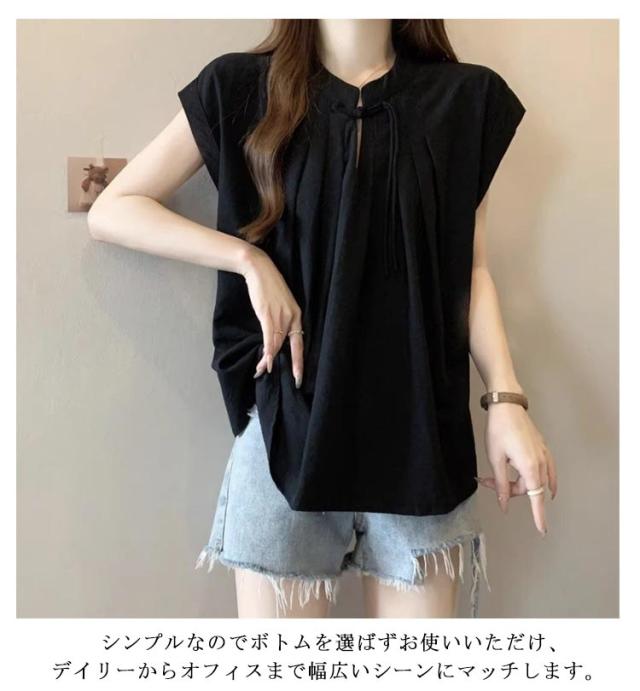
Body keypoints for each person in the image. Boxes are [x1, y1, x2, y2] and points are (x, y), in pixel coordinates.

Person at [87, 19, 558, 618]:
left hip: (422, 442)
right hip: (285, 439)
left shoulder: (463, 99)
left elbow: (471, 270)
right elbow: (115, 209)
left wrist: (506, 400)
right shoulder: (240, 88)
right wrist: (248, 259)